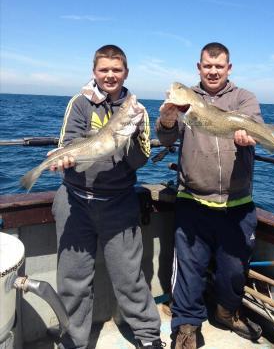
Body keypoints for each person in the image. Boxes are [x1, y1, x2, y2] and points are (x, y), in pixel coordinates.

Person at [50, 45, 165, 349]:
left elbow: (139, 160)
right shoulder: (79, 103)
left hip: (119, 203)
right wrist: (65, 158)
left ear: (125, 73)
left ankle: (149, 338)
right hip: (75, 201)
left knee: (130, 279)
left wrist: (136, 131)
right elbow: (69, 142)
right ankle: (74, 340)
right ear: (94, 72)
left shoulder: (137, 110)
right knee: (73, 281)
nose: (110, 75)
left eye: (116, 70)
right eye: (104, 70)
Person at [156, 42, 263, 348]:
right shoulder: (186, 100)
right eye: (207, 66)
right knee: (189, 270)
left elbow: (253, 125)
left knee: (234, 270)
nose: (213, 71)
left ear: (228, 68)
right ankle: (187, 327)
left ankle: (226, 312)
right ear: (199, 67)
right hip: (193, 200)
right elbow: (165, 138)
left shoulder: (244, 98)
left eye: (219, 66)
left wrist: (248, 136)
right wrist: (166, 120)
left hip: (237, 202)